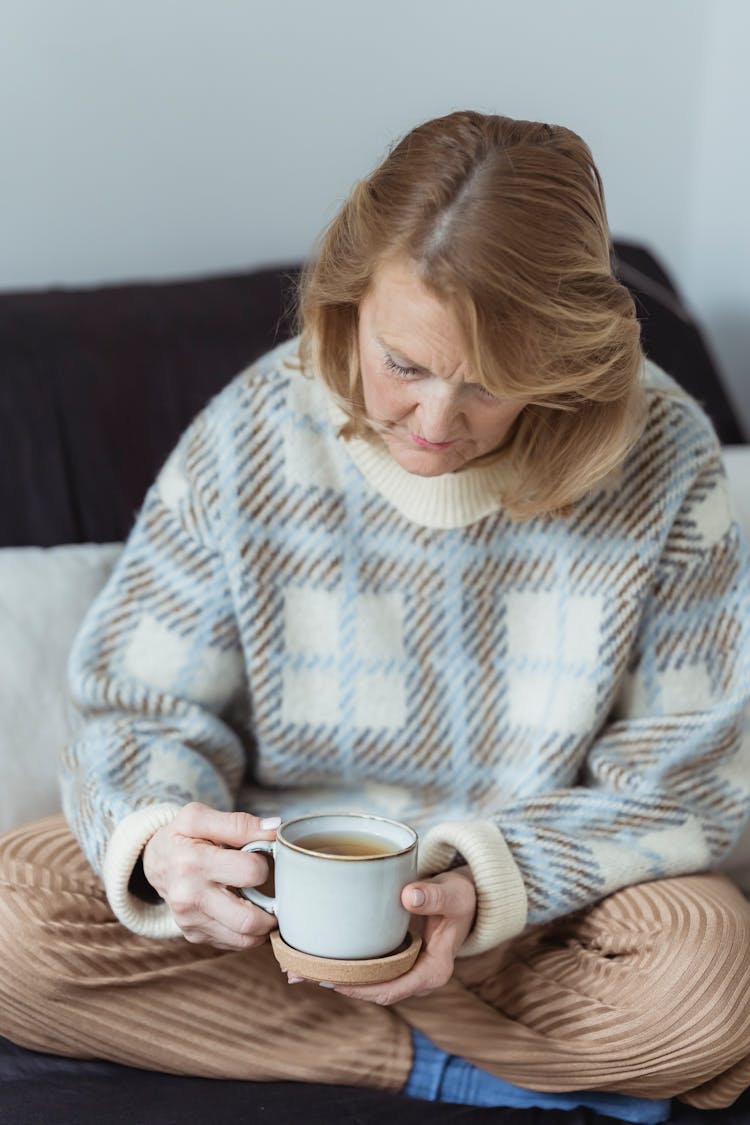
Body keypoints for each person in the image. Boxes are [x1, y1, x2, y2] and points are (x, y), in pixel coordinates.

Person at [1, 110, 749, 1124]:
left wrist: (493, 884)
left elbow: (689, 782)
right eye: (404, 364)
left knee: (712, 975)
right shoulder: (256, 429)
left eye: (491, 384)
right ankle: (477, 1072)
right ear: (349, 306)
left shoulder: (666, 456)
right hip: (274, 900)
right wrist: (167, 844)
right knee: (14, 909)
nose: (436, 427)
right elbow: (137, 706)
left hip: (539, 903)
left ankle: (374, 1044)